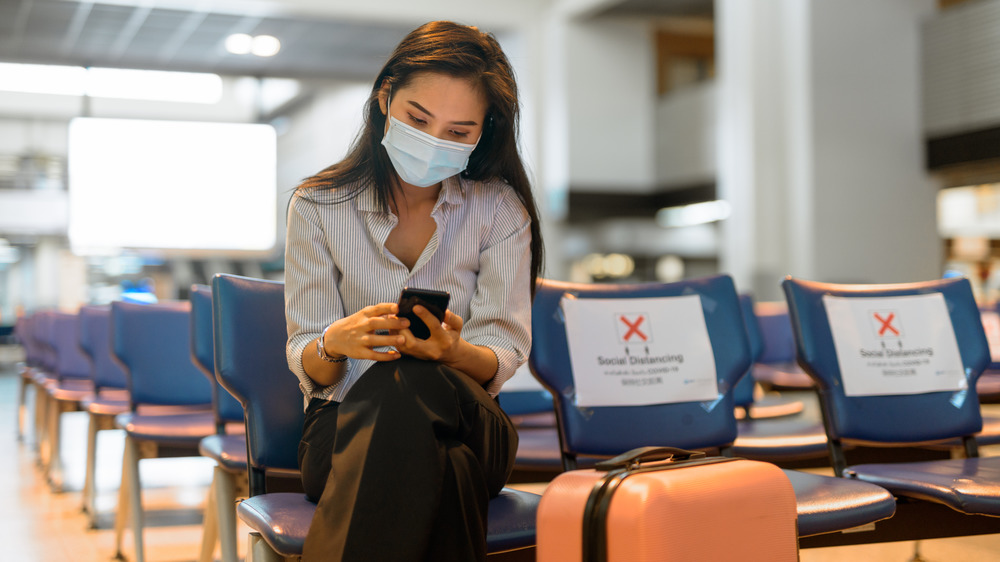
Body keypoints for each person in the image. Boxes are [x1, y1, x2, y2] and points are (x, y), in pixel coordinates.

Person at [283, 20, 544, 561]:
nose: (432, 142)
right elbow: (309, 356)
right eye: (418, 119)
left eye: (457, 132)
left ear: (484, 132)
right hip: (341, 429)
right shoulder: (318, 205)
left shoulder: (498, 210)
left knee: (408, 380)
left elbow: (504, 351)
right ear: (385, 98)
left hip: (472, 418)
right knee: (449, 466)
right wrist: (336, 342)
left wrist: (454, 352)